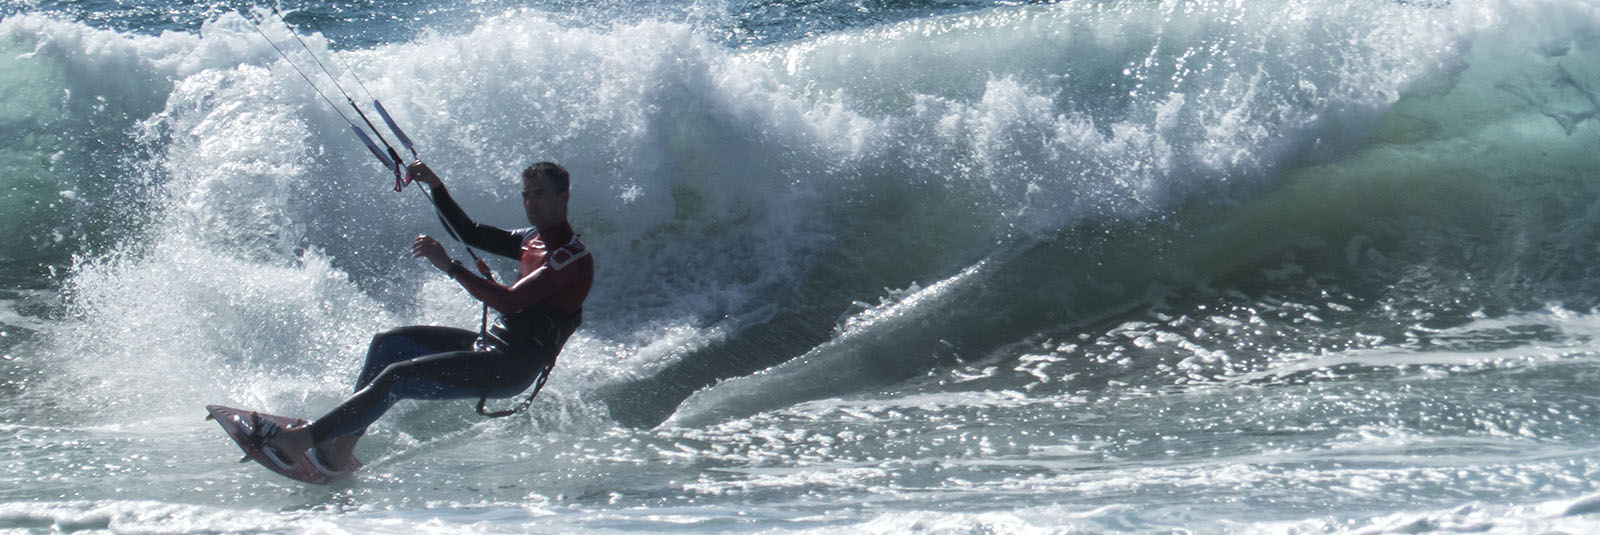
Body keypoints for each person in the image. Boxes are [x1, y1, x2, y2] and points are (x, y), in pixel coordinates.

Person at [260, 160, 594, 473]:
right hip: (490, 345)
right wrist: (436, 186)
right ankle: (338, 448)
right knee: (390, 345)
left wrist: (451, 267)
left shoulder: (570, 258)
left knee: (397, 377)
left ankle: (299, 442)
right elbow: (470, 232)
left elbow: (509, 302)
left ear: (563, 197)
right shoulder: (531, 240)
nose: (531, 204)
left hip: (511, 367)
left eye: (540, 195)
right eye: (526, 196)